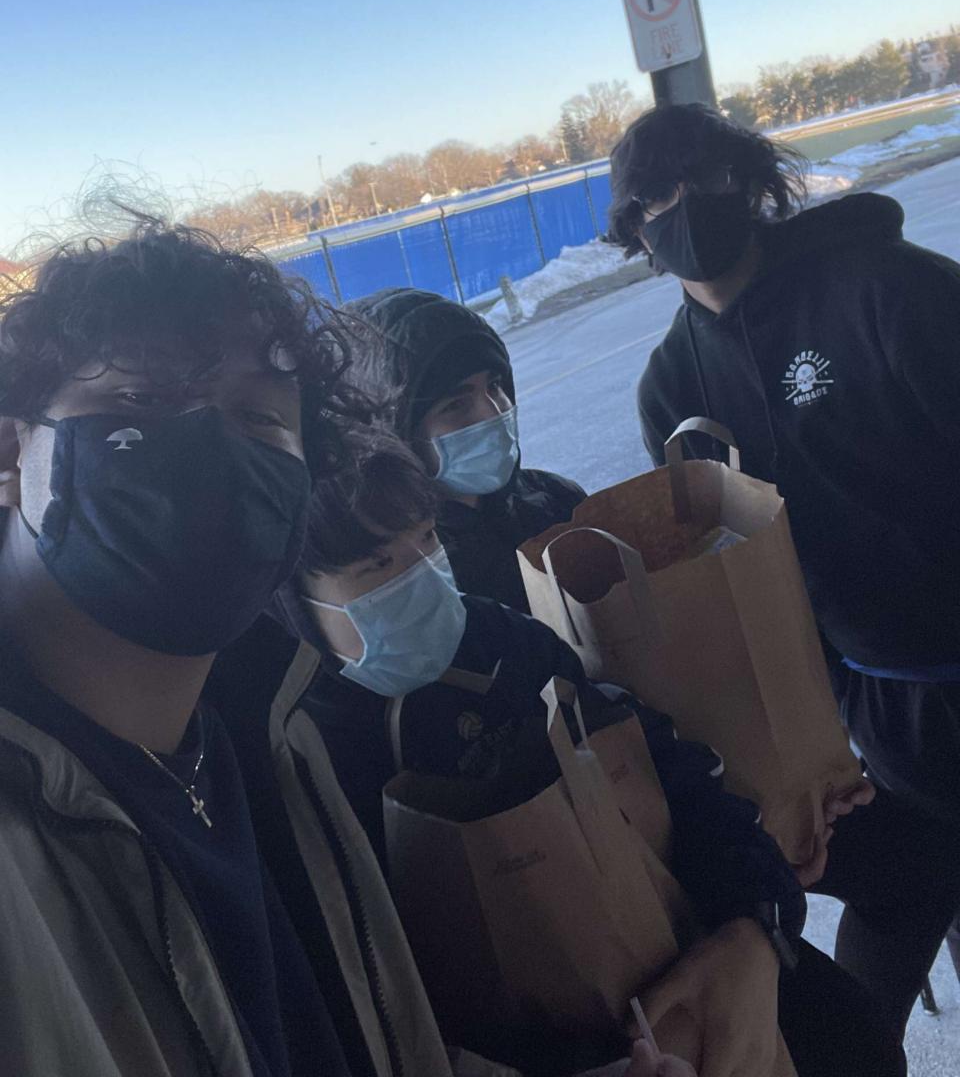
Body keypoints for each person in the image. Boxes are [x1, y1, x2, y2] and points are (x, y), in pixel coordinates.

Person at [0, 214, 560, 1077]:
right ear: (12, 446)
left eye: (259, 419)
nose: (210, 451)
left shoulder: (271, 729)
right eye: (143, 400)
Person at [275, 424, 905, 1077]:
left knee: (854, 1037)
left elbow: (673, 771)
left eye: (428, 540)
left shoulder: (505, 645)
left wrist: (754, 921)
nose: (421, 577)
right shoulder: (305, 755)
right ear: (299, 600)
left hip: (668, 937)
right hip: (530, 1042)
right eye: (378, 567)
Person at [608, 100, 960, 1035]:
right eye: (655, 197)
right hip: (879, 710)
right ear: (634, 231)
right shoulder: (672, 389)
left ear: (753, 184)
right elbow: (728, 586)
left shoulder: (886, 289)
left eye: (707, 177)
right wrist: (810, 744)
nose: (685, 206)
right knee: (928, 890)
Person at [346, 287, 585, 611]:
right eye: (455, 404)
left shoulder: (557, 502)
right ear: (395, 432)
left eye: (494, 386)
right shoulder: (406, 577)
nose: (494, 412)